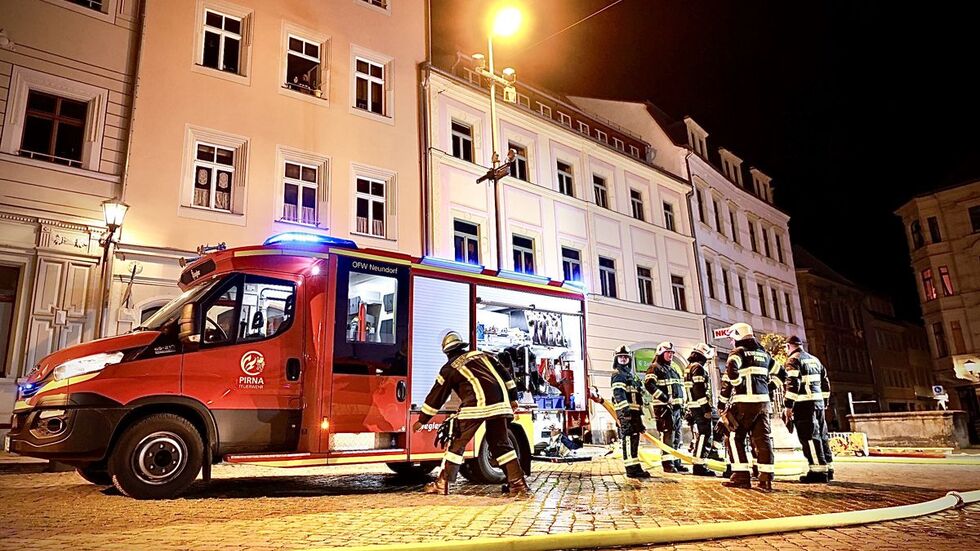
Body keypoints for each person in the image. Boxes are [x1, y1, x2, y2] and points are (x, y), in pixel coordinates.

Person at [413, 331, 529, 496]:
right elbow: (506, 374)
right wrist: (513, 398)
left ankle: (442, 483)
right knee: (501, 444)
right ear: (462, 346)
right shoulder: (483, 356)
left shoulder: (450, 368)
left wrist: (422, 420)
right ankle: (518, 485)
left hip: (476, 407)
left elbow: (436, 395)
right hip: (500, 405)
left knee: (457, 443)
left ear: (446, 352)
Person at [719, 323, 776, 491]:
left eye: (731, 338)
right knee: (762, 439)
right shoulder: (764, 354)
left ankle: (740, 476)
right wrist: (767, 388)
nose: (731, 342)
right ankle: (765, 479)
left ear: (737, 335)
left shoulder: (738, 352)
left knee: (734, 437)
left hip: (743, 403)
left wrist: (737, 386)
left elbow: (731, 370)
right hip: (763, 404)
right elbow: (782, 374)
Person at [783, 335, 834, 482]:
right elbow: (825, 382)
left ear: (788, 346)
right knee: (822, 436)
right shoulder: (814, 359)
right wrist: (824, 401)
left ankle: (817, 471)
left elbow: (792, 384)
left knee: (809, 437)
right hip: (818, 404)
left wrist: (788, 406)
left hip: (803, 405)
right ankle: (828, 468)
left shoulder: (793, 360)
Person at [645, 341, 689, 474]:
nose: (670, 355)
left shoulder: (672, 369)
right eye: (667, 353)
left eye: (671, 353)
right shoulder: (654, 367)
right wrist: (664, 398)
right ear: (660, 353)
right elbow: (649, 385)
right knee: (667, 436)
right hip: (664, 408)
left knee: (677, 437)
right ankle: (667, 463)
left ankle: (676, 461)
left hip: (675, 408)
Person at [611, 345, 652, 479]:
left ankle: (635, 466)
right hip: (626, 413)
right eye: (621, 357)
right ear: (617, 359)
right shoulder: (618, 375)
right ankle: (630, 469)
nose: (623, 359)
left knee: (634, 440)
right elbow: (619, 394)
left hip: (635, 413)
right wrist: (625, 411)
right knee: (628, 440)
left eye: (626, 357)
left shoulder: (631, 375)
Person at [685, 343, 717, 476]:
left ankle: (701, 460)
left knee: (701, 435)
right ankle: (699, 465)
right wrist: (706, 409)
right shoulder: (697, 368)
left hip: (693, 406)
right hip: (699, 407)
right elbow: (699, 390)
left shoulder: (689, 367)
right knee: (705, 435)